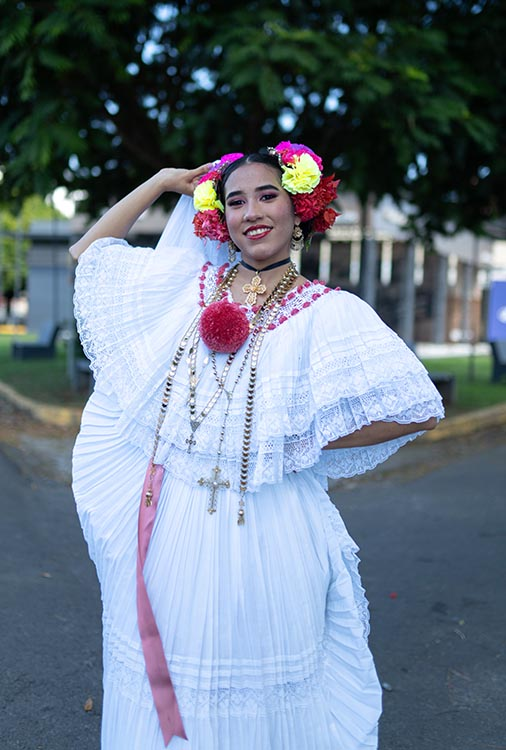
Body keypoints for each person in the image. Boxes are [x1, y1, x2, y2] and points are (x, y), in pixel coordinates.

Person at [70, 142, 443, 750]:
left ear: (299, 209)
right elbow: (89, 254)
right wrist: (161, 182)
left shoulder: (327, 311)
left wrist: (297, 440)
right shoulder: (189, 286)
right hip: (176, 525)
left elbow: (417, 410)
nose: (251, 212)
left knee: (260, 678)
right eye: (236, 201)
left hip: (271, 526)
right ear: (223, 219)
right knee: (174, 669)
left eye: (267, 195)